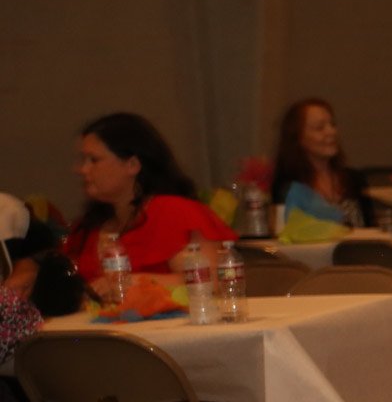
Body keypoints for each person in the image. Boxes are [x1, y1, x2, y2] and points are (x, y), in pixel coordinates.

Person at [60, 113, 235, 292]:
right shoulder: (86, 228)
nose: (82, 169)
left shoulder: (175, 212)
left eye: (94, 160)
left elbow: (210, 280)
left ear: (132, 165)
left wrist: (131, 282)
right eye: (83, 160)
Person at [270, 98, 375, 227]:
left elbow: (370, 227)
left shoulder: (354, 179)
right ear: (298, 137)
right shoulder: (288, 186)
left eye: (333, 125)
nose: (331, 132)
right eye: (319, 128)